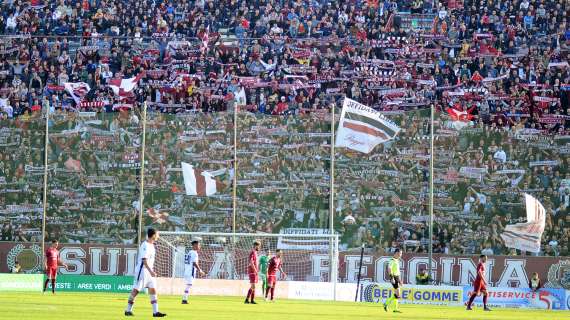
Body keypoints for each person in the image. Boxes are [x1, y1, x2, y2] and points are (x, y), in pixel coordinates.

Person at [124, 228, 166, 317]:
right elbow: (144, 260)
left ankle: (155, 312)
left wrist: (151, 271)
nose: (158, 236)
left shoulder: (152, 245)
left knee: (153, 289)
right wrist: (151, 271)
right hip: (142, 271)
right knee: (136, 290)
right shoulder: (145, 245)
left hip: (149, 272)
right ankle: (128, 310)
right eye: (157, 234)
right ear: (153, 235)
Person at [182, 240, 205, 304]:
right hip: (190, 272)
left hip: (187, 271)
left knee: (188, 285)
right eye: (198, 245)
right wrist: (200, 270)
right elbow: (194, 263)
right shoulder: (194, 253)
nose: (199, 246)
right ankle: (184, 299)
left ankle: (184, 299)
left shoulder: (189, 252)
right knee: (189, 285)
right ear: (194, 245)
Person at [383, 249, 402, 313]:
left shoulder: (396, 260)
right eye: (400, 253)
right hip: (394, 277)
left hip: (396, 277)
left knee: (397, 294)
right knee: (398, 294)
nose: (400, 255)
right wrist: (392, 278)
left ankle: (394, 308)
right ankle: (386, 303)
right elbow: (389, 269)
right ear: (396, 253)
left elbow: (397, 272)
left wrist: (399, 280)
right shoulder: (392, 260)